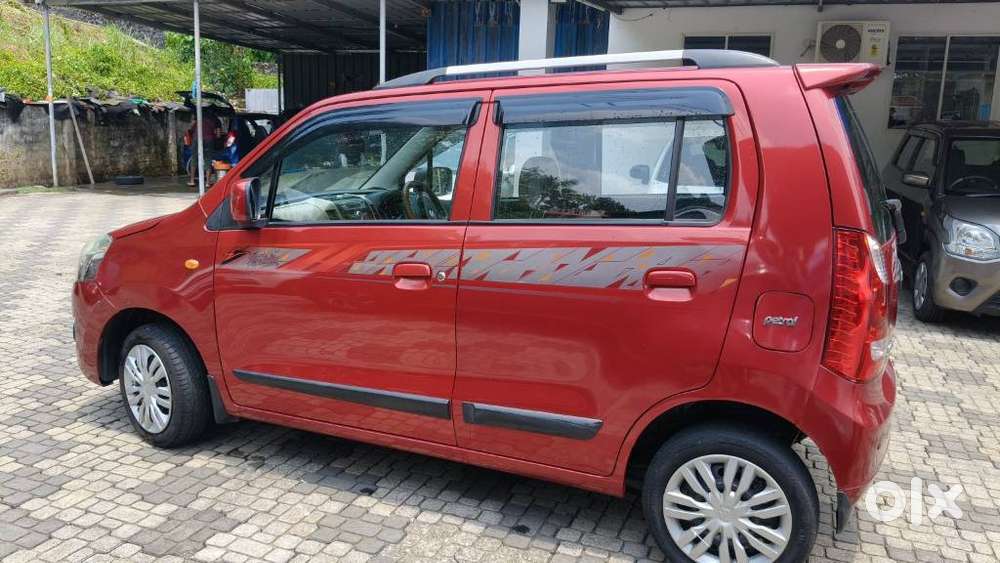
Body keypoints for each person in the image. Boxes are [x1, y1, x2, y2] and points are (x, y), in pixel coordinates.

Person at [185, 111, 223, 187]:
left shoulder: (198, 117)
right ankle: (207, 183)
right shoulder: (216, 120)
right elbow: (218, 135)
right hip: (209, 140)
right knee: (208, 160)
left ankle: (192, 181)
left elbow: (190, 129)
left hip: (197, 139)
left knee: (194, 158)